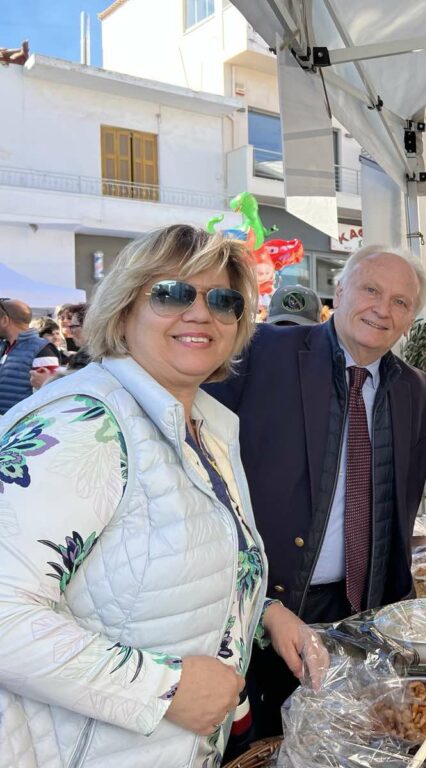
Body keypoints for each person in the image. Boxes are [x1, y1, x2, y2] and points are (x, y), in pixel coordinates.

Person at [0, 224, 306, 768]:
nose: (200, 312)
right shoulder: (82, 423)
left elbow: (178, 566)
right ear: (123, 309)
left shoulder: (204, 424)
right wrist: (164, 689)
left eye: (223, 300)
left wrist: (266, 613)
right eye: (172, 293)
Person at [205, 245, 426, 739]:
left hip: (367, 615)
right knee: (269, 742)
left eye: (400, 302)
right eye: (371, 290)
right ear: (339, 291)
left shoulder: (413, 387)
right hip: (270, 609)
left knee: (355, 736)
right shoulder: (264, 352)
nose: (383, 308)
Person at [0, 298, 59, 414]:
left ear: (5, 320)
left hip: (19, 426)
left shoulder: (42, 349)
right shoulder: (4, 346)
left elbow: (50, 394)